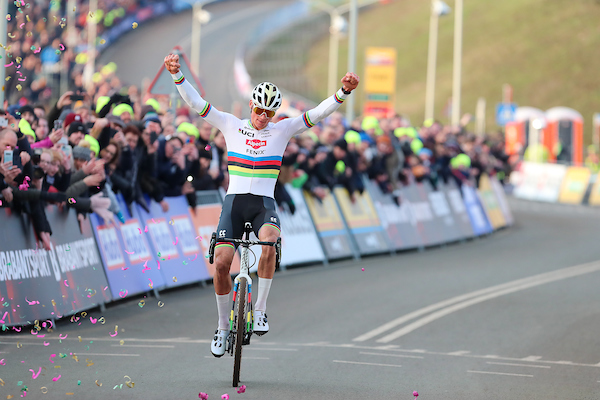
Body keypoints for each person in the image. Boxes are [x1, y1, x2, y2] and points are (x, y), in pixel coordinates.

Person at [164, 53, 360, 357]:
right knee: (220, 264)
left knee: (270, 241)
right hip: (234, 204)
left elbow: (317, 114)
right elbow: (197, 104)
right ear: (251, 106)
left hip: (263, 205)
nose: (262, 116)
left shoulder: (282, 129)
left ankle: (260, 310)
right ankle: (221, 326)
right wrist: (177, 75)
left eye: (268, 112)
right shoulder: (230, 124)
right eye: (258, 109)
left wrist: (343, 92)